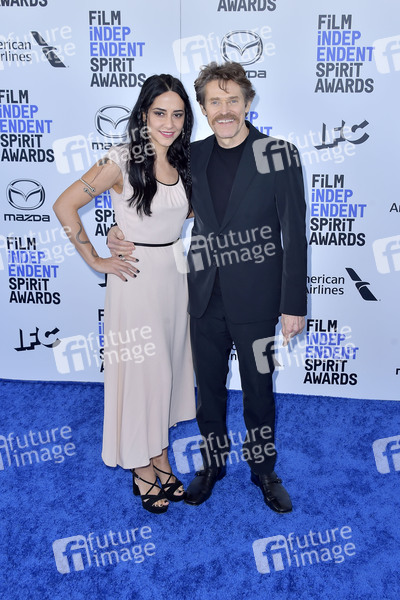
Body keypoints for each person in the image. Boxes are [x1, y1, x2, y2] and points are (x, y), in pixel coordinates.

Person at [107, 62, 307, 513]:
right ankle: (212, 465)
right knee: (209, 392)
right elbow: (157, 207)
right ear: (203, 107)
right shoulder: (190, 156)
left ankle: (264, 470)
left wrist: (293, 304)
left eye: (233, 99)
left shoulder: (279, 153)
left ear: (248, 103)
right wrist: (116, 233)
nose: (225, 109)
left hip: (257, 299)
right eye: (215, 101)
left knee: (259, 392)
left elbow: (294, 234)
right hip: (200, 296)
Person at [53, 74, 196, 514]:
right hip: (135, 282)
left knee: (166, 372)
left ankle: (160, 455)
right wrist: (97, 259)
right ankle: (140, 465)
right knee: (140, 375)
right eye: (159, 113)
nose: (168, 123)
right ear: (143, 115)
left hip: (174, 278)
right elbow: (64, 204)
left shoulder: (185, 160)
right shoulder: (119, 159)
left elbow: (180, 216)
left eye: (177, 114)